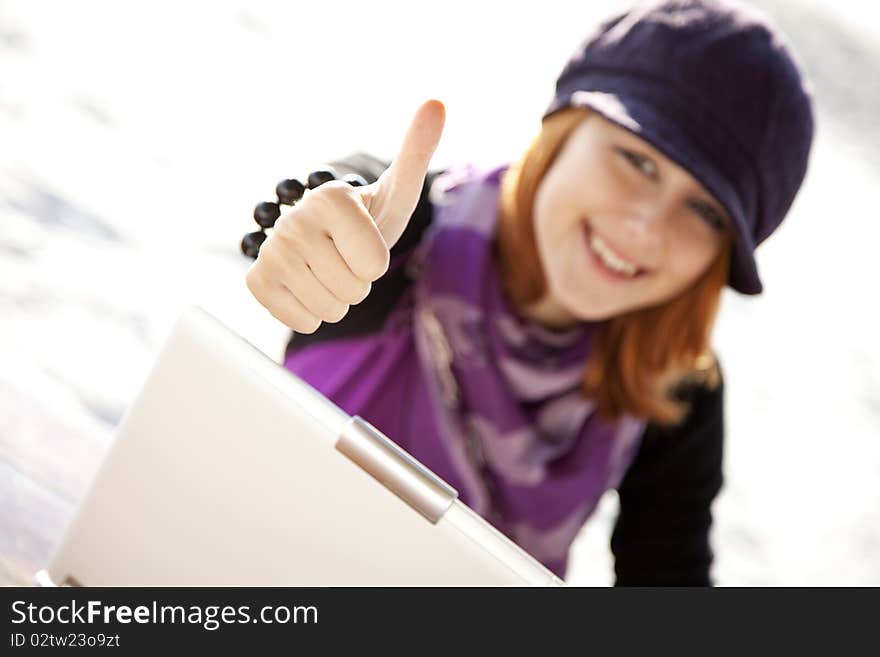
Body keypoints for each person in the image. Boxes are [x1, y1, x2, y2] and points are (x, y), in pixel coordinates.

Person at [244, 0, 814, 585]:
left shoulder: (673, 385)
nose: (647, 227)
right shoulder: (401, 230)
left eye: (703, 210)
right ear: (563, 127)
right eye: (638, 161)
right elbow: (331, 213)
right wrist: (304, 243)